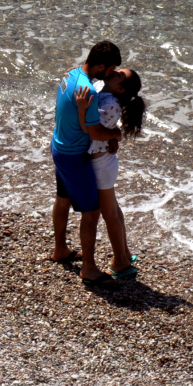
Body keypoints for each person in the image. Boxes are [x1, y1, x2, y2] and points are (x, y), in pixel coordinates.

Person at [49, 41, 122, 288]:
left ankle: (60, 249)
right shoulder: (87, 92)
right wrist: (116, 135)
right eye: (109, 70)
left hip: (59, 145)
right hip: (74, 155)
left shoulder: (70, 74)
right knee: (91, 212)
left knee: (63, 199)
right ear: (100, 66)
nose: (109, 75)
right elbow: (93, 132)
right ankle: (89, 268)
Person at [74, 68, 146, 280]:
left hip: (101, 164)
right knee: (113, 209)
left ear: (120, 88)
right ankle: (124, 252)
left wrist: (81, 109)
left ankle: (121, 262)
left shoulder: (111, 104)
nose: (114, 72)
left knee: (109, 214)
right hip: (102, 159)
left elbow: (91, 130)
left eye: (119, 74)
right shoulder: (100, 88)